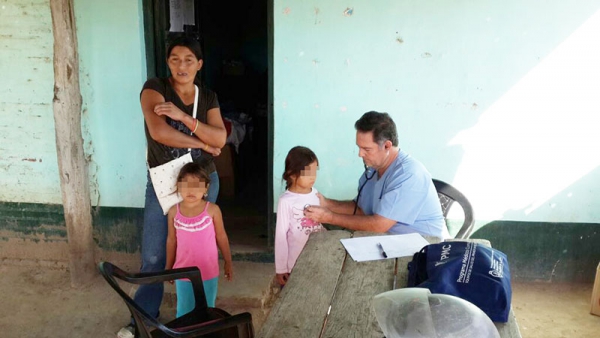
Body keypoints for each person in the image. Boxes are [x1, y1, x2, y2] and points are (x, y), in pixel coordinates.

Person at [118, 36, 227, 338]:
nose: (182, 65)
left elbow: (220, 138)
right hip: (163, 182)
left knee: (196, 251)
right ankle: (142, 319)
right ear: (168, 63)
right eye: (175, 59)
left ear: (199, 64)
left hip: (202, 182)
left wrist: (182, 117)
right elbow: (159, 131)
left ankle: (196, 317)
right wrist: (201, 141)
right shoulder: (155, 88)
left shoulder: (207, 97)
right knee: (153, 255)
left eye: (189, 59)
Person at [304, 111, 449, 239]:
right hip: (389, 242)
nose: (360, 154)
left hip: (426, 249)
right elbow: (360, 210)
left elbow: (379, 225)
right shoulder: (374, 169)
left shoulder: (409, 175)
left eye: (367, 149)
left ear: (387, 146)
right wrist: (326, 203)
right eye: (359, 147)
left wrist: (329, 217)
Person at [166, 162, 233, 317]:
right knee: (184, 312)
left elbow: (221, 236)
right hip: (183, 271)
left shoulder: (212, 210)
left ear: (206, 188)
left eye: (197, 185)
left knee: (207, 310)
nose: (191, 190)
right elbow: (171, 241)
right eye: (186, 184)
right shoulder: (173, 212)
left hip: (208, 271)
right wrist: (169, 267)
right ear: (178, 186)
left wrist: (228, 262)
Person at [275, 146, 325, 286]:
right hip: (295, 263)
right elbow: (281, 236)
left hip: (317, 258)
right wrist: (281, 268)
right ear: (292, 174)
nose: (313, 177)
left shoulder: (316, 194)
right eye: (307, 173)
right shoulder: (286, 201)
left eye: (315, 172)